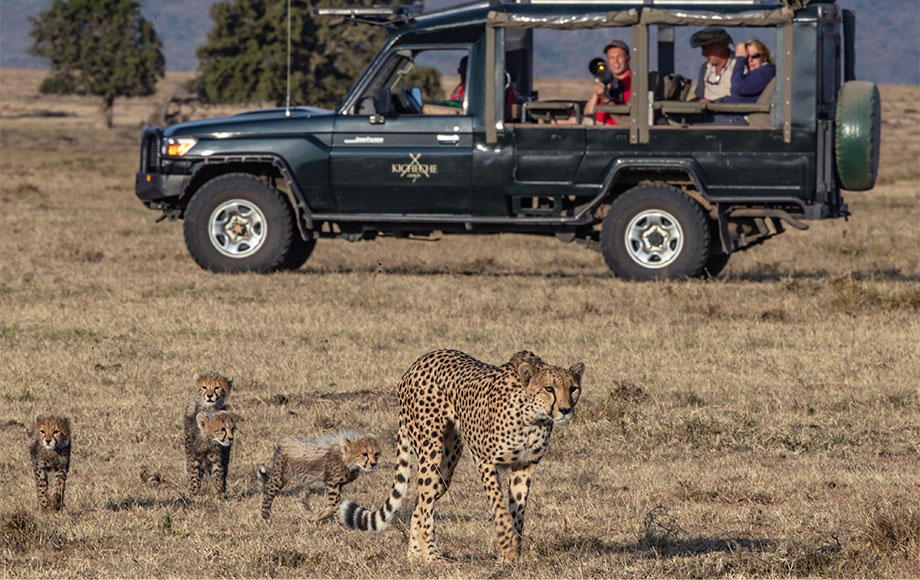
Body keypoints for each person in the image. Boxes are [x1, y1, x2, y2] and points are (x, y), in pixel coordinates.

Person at [583, 39, 632, 125]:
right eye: (611, 58)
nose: (615, 61)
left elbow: (623, 121)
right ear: (607, 62)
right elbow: (588, 114)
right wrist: (597, 93)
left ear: (628, 59)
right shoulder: (606, 80)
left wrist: (605, 98)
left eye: (619, 57)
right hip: (595, 125)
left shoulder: (634, 81)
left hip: (614, 129)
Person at [724, 39, 775, 103]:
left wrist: (740, 59)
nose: (750, 60)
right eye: (747, 57)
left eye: (755, 56)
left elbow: (739, 87)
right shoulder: (755, 74)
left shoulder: (766, 72)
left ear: (764, 57)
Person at [690, 27, 734, 102]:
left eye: (707, 48)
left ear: (721, 45)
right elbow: (700, 96)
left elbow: (741, 98)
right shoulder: (705, 68)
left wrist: (715, 103)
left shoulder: (739, 65)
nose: (703, 53)